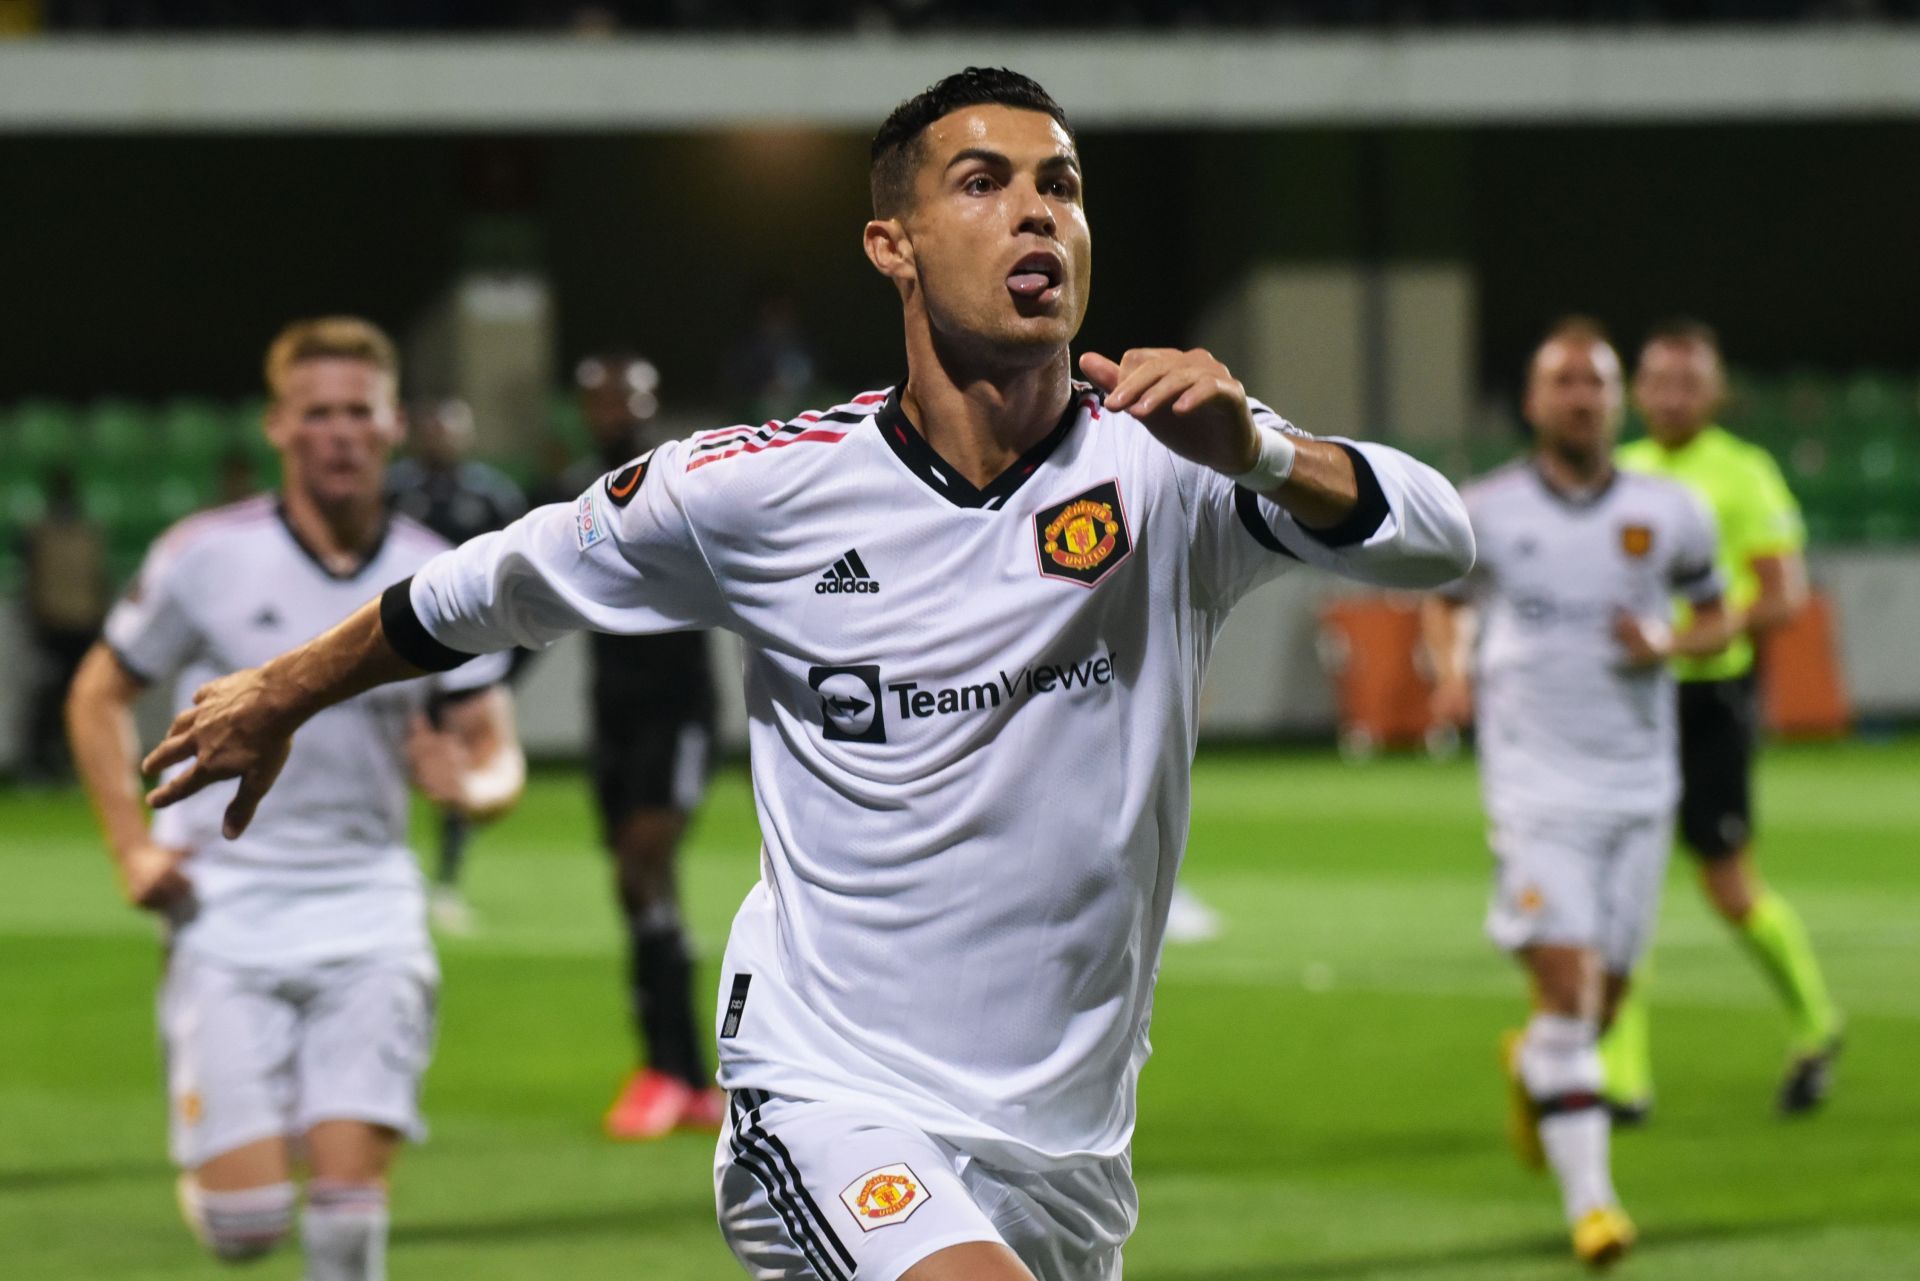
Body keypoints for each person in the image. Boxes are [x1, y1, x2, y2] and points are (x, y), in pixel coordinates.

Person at [135, 70, 1474, 1281]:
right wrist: (286, 689)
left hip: (1068, 1150)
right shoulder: (757, 489)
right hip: (833, 1092)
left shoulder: (1175, 467)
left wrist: (1263, 450)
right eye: (984, 182)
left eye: (1059, 186)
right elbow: (493, 582)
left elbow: (1437, 535)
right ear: (893, 244)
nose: (1035, 215)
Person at [64, 317, 525, 1281]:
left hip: (371, 909)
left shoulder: (437, 571)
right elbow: (96, 692)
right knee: (246, 1224)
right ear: (278, 426)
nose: (341, 433)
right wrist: (130, 850)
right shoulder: (205, 555)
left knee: (349, 1217)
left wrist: (473, 790)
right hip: (225, 906)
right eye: (317, 413)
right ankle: (229, 1188)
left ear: (395, 422)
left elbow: (495, 753)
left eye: (360, 411)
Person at [1425, 318, 1735, 1267]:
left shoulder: (1671, 510)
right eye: (1563, 382)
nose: (1581, 398)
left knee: (1604, 1004)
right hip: (1534, 790)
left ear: (1618, 400)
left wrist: (1671, 645)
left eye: (1596, 384)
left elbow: (1718, 618)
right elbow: (1441, 594)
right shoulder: (1486, 510)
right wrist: (1452, 668)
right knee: (1567, 989)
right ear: (1531, 401)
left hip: (1640, 786)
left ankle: (1535, 1065)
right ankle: (1593, 1207)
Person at [1606, 318, 1844, 1118]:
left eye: (1689, 382)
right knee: (1619, 891)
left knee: (1729, 886)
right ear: (1637, 390)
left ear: (1716, 392)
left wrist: (1690, 632)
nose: (1672, 395)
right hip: (1628, 703)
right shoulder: (1617, 471)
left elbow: (1783, 596)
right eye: (1658, 380)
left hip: (1709, 699)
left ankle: (1816, 1019)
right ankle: (1624, 1078)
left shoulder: (1744, 474)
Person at [536, 351, 728, 1141]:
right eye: (598, 396)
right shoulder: (573, 490)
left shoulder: (684, 483)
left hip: (676, 710)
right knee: (641, 889)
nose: (612, 408)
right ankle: (680, 1073)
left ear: (648, 403)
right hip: (611, 712)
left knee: (642, 863)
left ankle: (672, 1069)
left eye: (626, 395)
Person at [386, 397, 529, 931]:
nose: (441, 438)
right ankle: (390, 871)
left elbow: (526, 577)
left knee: (460, 761)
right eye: (433, 428)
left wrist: (509, 666)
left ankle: (444, 880)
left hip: (470, 655)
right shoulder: (393, 490)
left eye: (451, 429)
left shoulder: (492, 495)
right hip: (398, 654)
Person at [19, 466, 108, 781]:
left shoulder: (88, 531)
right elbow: (32, 579)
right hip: (53, 624)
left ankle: (77, 761)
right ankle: (40, 761)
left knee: (82, 696)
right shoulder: (41, 532)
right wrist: (38, 615)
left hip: (82, 623)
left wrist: (98, 614)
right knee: (49, 694)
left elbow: (97, 578)